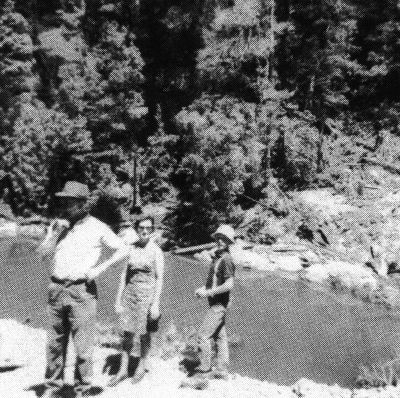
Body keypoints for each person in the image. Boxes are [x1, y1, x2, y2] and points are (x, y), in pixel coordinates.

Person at [38, 181, 129, 398]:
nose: (65, 206)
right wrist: (54, 233)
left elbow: (123, 249)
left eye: (70, 202)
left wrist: (100, 269)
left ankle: (83, 390)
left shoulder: (97, 227)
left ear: (82, 204)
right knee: (54, 344)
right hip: (56, 289)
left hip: (81, 292)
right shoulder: (59, 226)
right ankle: (52, 388)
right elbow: (42, 254)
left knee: (83, 348)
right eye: (64, 202)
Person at [110, 215, 164, 386]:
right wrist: (118, 300)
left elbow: (160, 278)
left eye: (148, 228)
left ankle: (141, 367)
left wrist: (155, 304)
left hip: (147, 297)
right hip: (130, 295)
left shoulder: (157, 251)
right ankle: (123, 370)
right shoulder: (131, 248)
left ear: (152, 230)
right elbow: (123, 276)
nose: (145, 231)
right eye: (141, 227)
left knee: (144, 334)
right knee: (127, 333)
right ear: (136, 229)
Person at [195, 224, 236, 375]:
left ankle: (204, 369)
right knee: (220, 336)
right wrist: (203, 290)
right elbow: (214, 281)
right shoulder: (218, 257)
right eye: (218, 237)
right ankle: (222, 370)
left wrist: (209, 292)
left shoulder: (226, 260)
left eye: (224, 239)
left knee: (203, 336)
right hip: (216, 302)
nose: (220, 241)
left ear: (228, 242)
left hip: (219, 305)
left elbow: (229, 284)